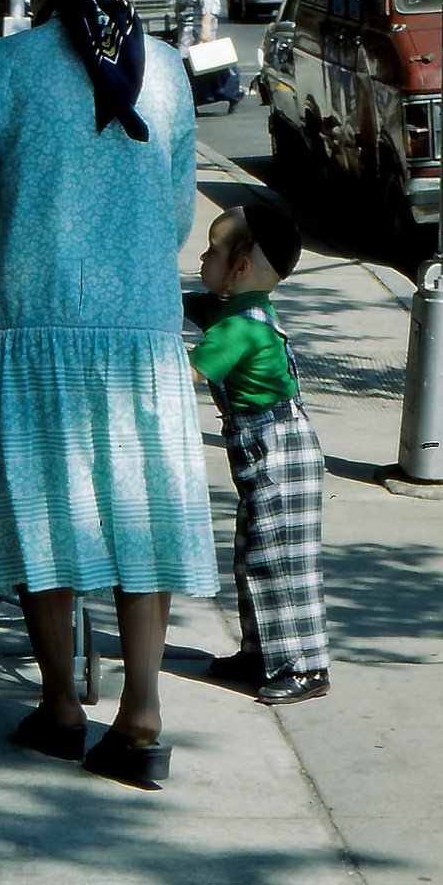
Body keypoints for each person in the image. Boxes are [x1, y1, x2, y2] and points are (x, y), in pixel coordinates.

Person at [0, 0, 217, 789]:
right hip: (140, 330)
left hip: (37, 321)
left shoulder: (4, 68)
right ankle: (141, 714)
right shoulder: (163, 69)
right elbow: (174, 215)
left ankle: (58, 707)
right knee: (140, 512)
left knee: (42, 511)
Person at [185, 202, 330, 706]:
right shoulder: (231, 307)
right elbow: (186, 304)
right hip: (264, 453)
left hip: (278, 453)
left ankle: (305, 666)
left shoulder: (239, 329)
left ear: (241, 269)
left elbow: (187, 376)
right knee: (252, 557)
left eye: (211, 251)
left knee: (281, 562)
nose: (201, 259)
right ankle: (260, 653)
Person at [172, 0, 241, 114]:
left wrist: (205, 28)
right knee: (198, 64)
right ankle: (199, 98)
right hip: (187, 26)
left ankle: (228, 91)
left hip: (195, 26)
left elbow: (207, 2)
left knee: (196, 62)